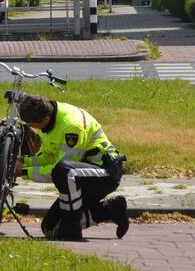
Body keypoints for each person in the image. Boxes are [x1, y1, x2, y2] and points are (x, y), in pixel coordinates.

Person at [15, 94, 129, 241]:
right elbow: (50, 156)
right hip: (82, 175)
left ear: (45, 119)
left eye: (31, 124)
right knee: (49, 228)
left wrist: (24, 172)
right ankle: (112, 209)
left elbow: (62, 170)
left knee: (64, 172)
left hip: (105, 174)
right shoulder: (51, 118)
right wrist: (24, 161)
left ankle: (72, 229)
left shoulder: (71, 127)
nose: (30, 128)